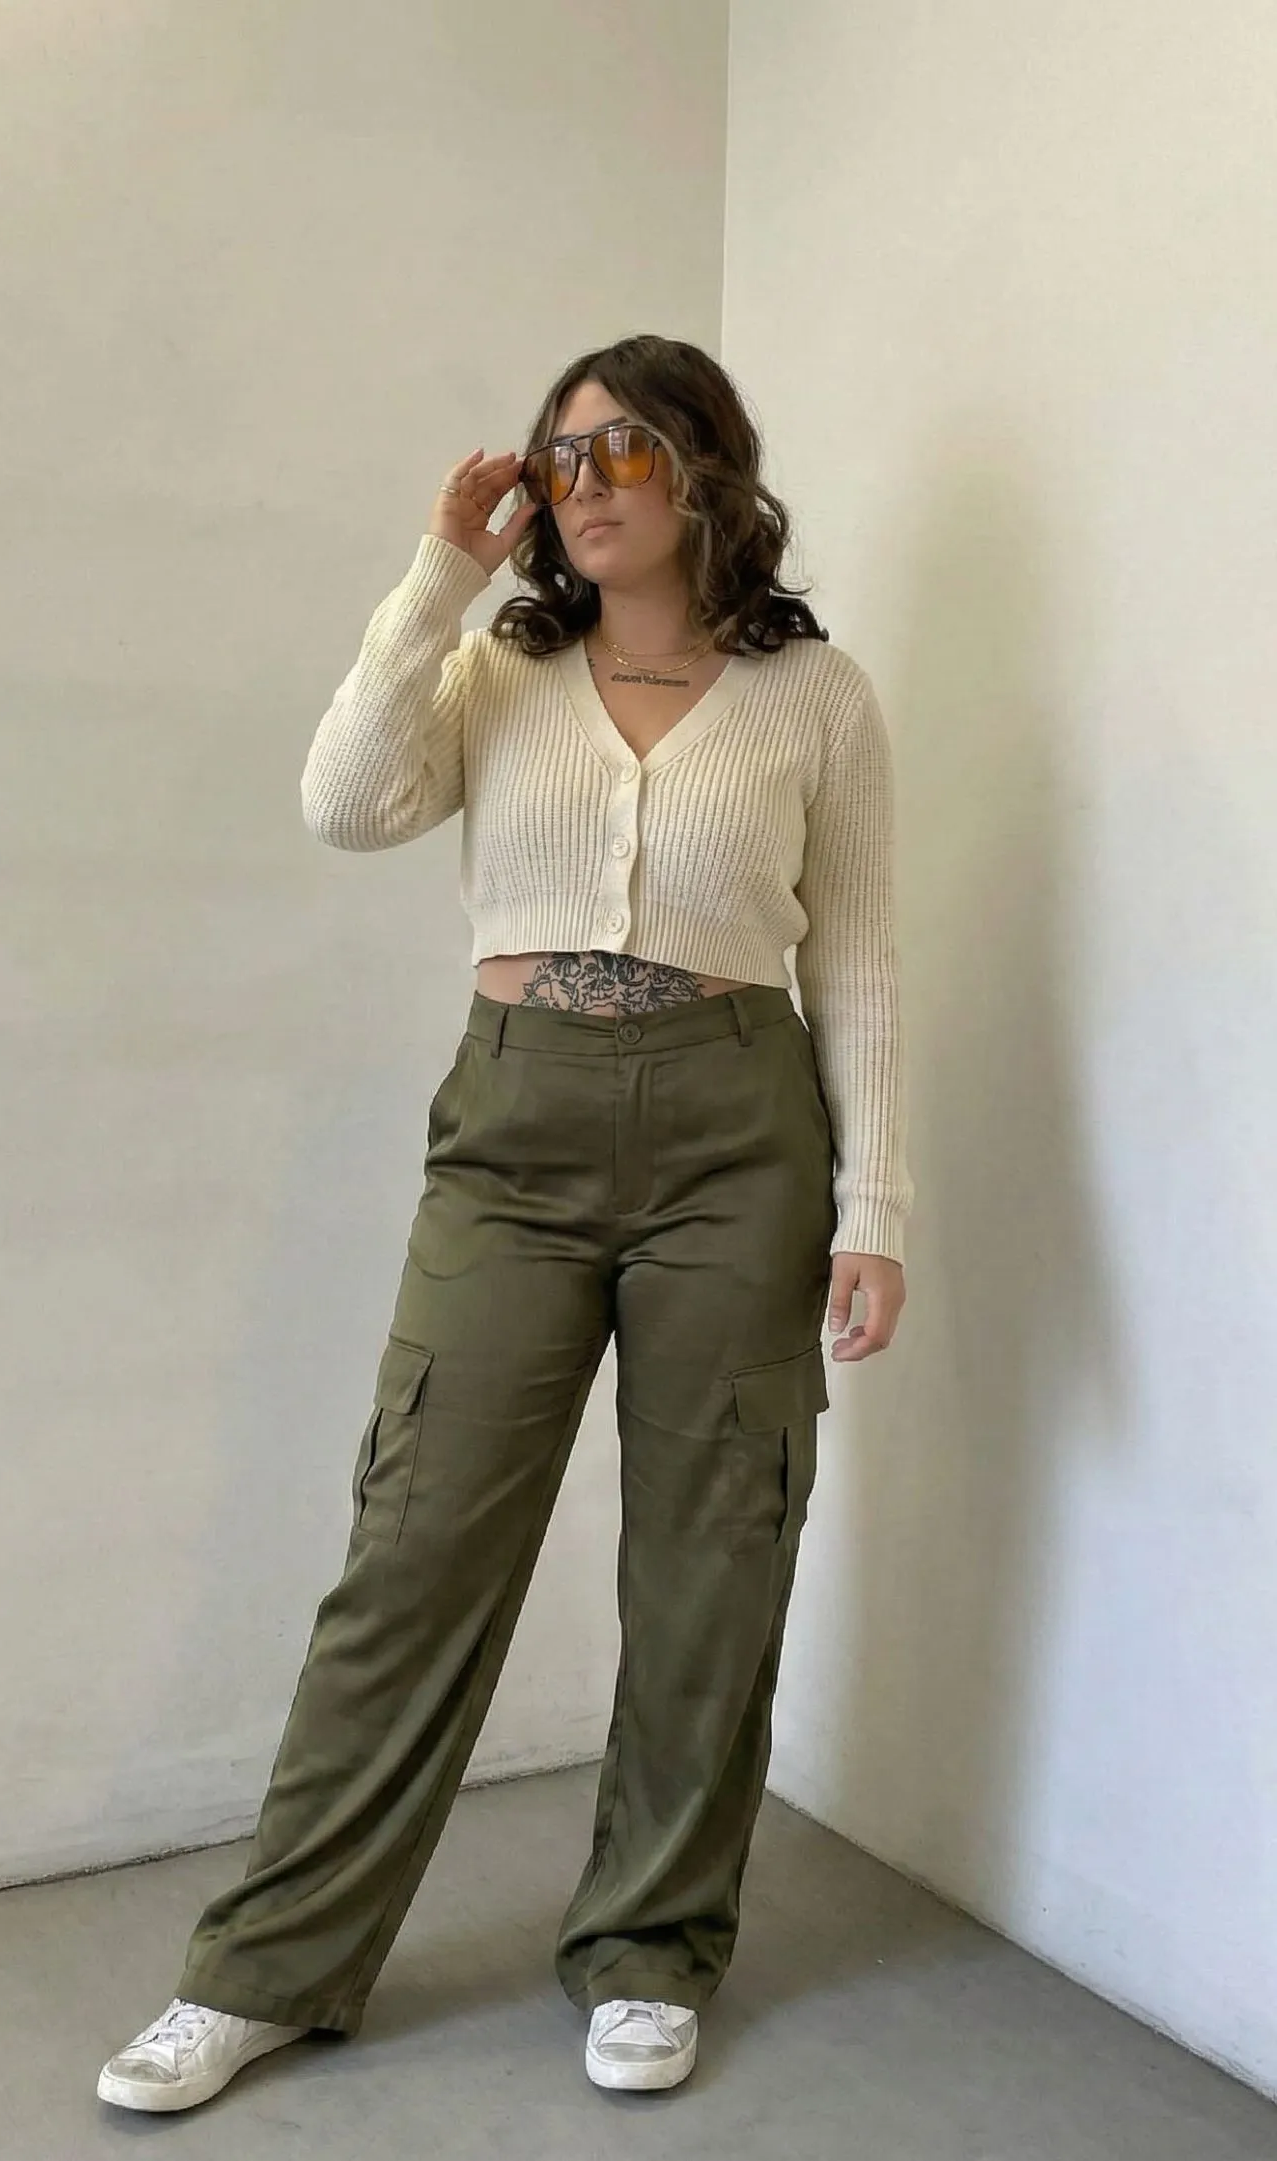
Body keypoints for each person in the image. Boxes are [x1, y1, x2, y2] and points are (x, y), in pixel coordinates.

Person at [97, 333, 912, 2113]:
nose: (586, 479)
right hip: (515, 1135)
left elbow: (853, 958)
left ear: (705, 467)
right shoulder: (496, 668)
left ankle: (649, 1946)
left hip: (737, 1137)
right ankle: (267, 1968)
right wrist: (439, 570)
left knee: (714, 1557)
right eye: (560, 456)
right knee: (414, 1551)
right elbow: (343, 805)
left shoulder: (817, 697)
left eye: (622, 445)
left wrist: (878, 1204)